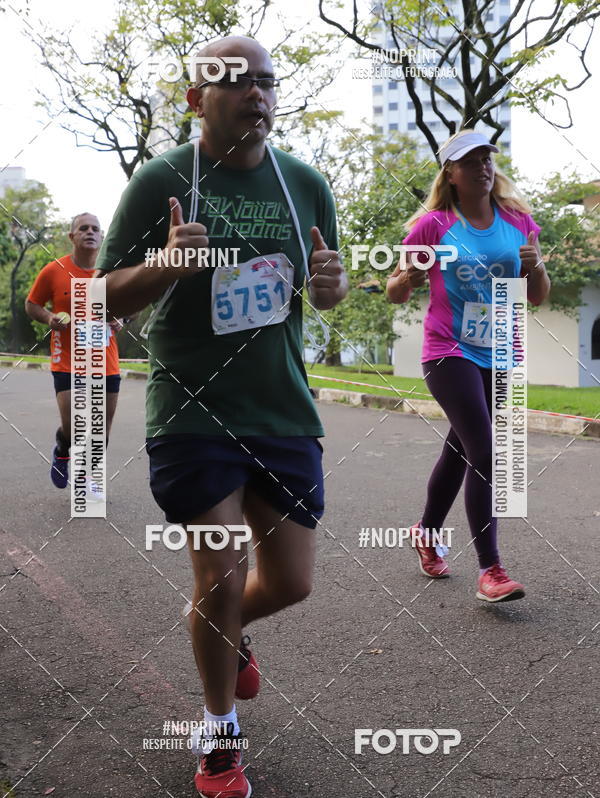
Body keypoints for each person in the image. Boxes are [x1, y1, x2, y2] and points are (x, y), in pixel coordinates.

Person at [94, 36, 347, 798]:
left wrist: (332, 289)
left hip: (281, 408)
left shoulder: (303, 182)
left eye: (267, 81)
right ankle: (218, 736)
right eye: (235, 81)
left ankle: (221, 626)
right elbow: (99, 295)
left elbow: (322, 290)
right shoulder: (161, 178)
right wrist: (165, 265)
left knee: (292, 583)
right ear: (193, 96)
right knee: (222, 571)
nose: (256, 94)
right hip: (191, 410)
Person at [386, 129, 550, 603]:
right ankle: (491, 570)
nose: (482, 166)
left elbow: (537, 296)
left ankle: (426, 531)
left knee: (461, 451)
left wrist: (535, 266)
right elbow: (395, 289)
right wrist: (408, 278)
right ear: (451, 174)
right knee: (485, 452)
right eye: (470, 160)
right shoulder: (432, 226)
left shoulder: (519, 221)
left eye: (487, 158)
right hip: (449, 350)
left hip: (502, 351)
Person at [25, 213, 122, 490]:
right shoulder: (54, 271)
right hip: (68, 363)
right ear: (72, 236)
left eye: (95, 229)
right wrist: (48, 318)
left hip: (106, 364)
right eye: (83, 228)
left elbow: (134, 306)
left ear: (102, 236)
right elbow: (32, 304)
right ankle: (63, 450)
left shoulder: (112, 271)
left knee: (100, 431)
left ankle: (89, 478)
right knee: (74, 426)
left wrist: (122, 318)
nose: (90, 232)